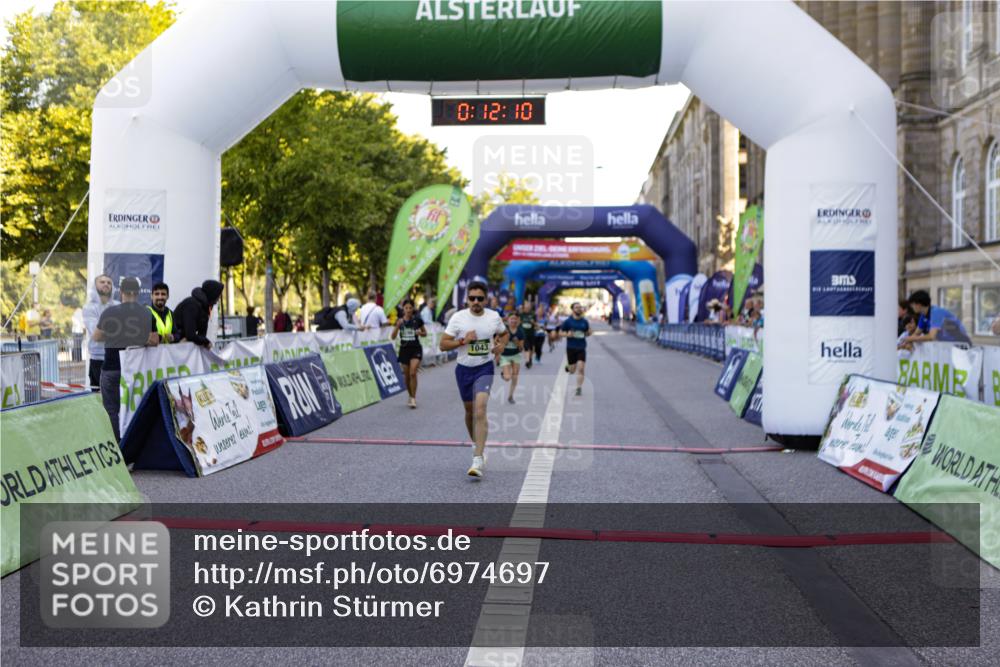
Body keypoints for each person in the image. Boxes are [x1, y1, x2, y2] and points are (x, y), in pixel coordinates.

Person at [439, 281, 509, 478]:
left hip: (484, 368)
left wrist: (501, 346)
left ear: (486, 299)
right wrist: (463, 341)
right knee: (469, 412)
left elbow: (504, 335)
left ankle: (477, 459)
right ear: (467, 299)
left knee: (480, 408)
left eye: (480, 298)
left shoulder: (493, 317)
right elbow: (442, 345)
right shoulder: (458, 318)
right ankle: (476, 444)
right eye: (472, 298)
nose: (476, 302)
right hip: (463, 369)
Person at [92, 277, 158, 441]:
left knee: (112, 410)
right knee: (135, 407)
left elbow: (96, 337)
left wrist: (116, 335)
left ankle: (118, 446)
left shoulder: (110, 312)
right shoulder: (147, 313)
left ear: (120, 292)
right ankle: (133, 446)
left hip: (111, 368)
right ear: (137, 293)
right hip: (136, 370)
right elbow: (155, 341)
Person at [83, 274, 119, 391]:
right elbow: (96, 335)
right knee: (98, 400)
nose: (106, 284)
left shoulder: (118, 306)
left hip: (118, 358)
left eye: (109, 282)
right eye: (102, 282)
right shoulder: (89, 308)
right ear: (95, 286)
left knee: (118, 398)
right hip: (98, 360)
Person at [392, 298, 426, 408]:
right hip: (404, 350)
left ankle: (413, 398)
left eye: (410, 308)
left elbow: (425, 333)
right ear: (403, 309)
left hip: (416, 348)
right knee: (406, 376)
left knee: (412, 372)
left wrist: (420, 332)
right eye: (406, 308)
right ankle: (410, 395)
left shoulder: (418, 320)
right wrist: (397, 326)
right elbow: (392, 337)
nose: (408, 310)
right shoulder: (399, 321)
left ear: (413, 308)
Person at [905, 289, 970, 344]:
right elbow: (916, 334)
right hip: (949, 346)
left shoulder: (936, 312)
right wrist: (908, 341)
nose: (912, 307)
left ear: (918, 304)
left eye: (912, 305)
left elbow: (931, 336)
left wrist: (912, 339)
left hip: (961, 344)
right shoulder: (923, 316)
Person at [174, 279, 224, 348]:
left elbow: (202, 334)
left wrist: (204, 341)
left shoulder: (205, 307)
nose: (219, 299)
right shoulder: (191, 304)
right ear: (212, 293)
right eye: (218, 295)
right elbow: (190, 335)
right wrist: (206, 342)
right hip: (174, 343)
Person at [559, 301, 591, 397]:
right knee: (572, 370)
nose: (579, 309)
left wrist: (588, 333)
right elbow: (560, 333)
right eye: (577, 307)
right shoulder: (568, 321)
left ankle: (578, 388)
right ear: (572, 309)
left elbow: (589, 331)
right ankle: (568, 367)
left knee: (581, 368)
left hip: (581, 347)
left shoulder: (584, 321)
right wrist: (567, 334)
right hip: (571, 348)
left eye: (580, 307)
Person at [496, 311, 525, 404]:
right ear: (508, 320)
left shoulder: (520, 331)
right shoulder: (503, 330)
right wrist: (500, 345)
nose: (513, 321)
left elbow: (521, 348)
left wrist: (517, 343)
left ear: (518, 321)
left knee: (515, 376)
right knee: (508, 378)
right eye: (511, 319)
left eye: (515, 319)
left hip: (515, 355)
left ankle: (510, 396)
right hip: (505, 356)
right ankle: (504, 375)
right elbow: (495, 341)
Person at [518, 302, 538, 368]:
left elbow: (536, 325)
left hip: (531, 334)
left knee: (531, 348)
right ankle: (527, 361)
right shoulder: (521, 314)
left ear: (530, 307)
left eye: (528, 307)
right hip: (524, 334)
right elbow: (518, 323)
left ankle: (530, 359)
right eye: (526, 307)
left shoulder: (533, 314)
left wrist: (533, 322)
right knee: (526, 347)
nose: (527, 308)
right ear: (524, 307)